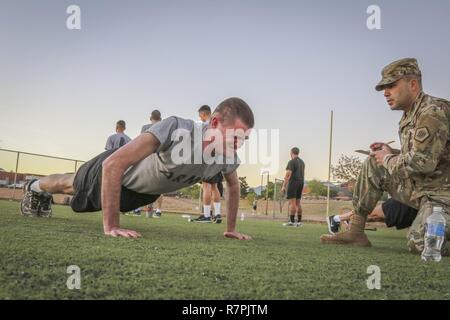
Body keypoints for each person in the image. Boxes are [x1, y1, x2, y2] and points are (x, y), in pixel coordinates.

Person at [20, 97, 254, 240]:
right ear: (214, 123)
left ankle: (38, 189)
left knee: (72, 189)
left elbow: (233, 187)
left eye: (244, 138)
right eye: (236, 135)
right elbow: (113, 164)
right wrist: (111, 226)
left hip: (141, 193)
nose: (239, 143)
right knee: (69, 184)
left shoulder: (226, 156)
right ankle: (33, 186)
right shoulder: (177, 128)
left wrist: (231, 228)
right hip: (115, 170)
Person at [321, 58, 450, 256]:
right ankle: (355, 231)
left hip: (443, 197)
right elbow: (419, 158)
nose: (386, 93)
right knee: (375, 161)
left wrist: (388, 159)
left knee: (423, 245)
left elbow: (423, 163)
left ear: (413, 84)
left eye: (391, 85)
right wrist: (388, 154)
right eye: (384, 88)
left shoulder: (432, 112)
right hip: (424, 190)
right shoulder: (409, 116)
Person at [193, 105, 224, 224]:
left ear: (203, 113)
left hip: (208, 155)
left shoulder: (207, 125)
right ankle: (217, 214)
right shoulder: (219, 123)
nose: (200, 118)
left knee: (206, 185)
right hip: (219, 156)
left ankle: (206, 215)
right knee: (214, 186)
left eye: (200, 115)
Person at [328, 198, 418, 233]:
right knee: (375, 214)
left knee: (379, 218)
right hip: (411, 200)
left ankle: (349, 220)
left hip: (422, 205)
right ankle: (336, 219)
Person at [141, 109, 164, 217]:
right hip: (160, 159)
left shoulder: (145, 127)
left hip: (147, 158)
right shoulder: (165, 127)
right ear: (160, 118)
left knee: (143, 184)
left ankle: (139, 208)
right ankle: (158, 210)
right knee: (159, 186)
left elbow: (140, 143)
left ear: (151, 118)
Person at [281, 147, 305, 227]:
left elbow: (288, 175)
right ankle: (299, 222)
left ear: (291, 153)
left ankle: (291, 221)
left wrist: (283, 186)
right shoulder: (302, 162)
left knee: (293, 203)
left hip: (294, 182)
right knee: (298, 203)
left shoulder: (291, 162)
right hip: (301, 183)